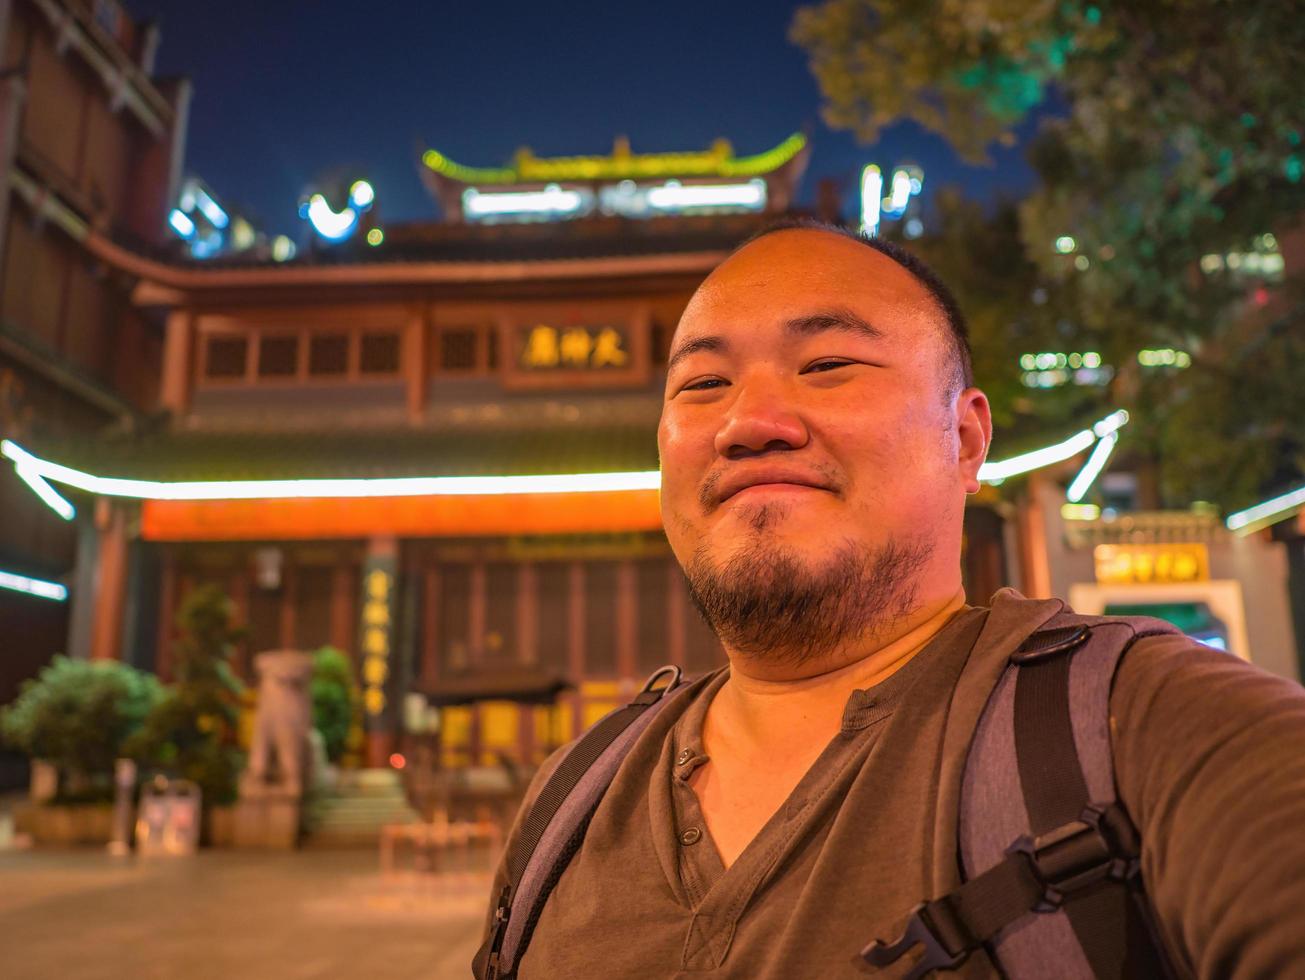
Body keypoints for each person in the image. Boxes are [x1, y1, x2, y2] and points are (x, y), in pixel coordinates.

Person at [474, 223, 1305, 978]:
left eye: (827, 365)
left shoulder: (1151, 729)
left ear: (967, 437)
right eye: (701, 383)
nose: (747, 421)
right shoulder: (571, 801)